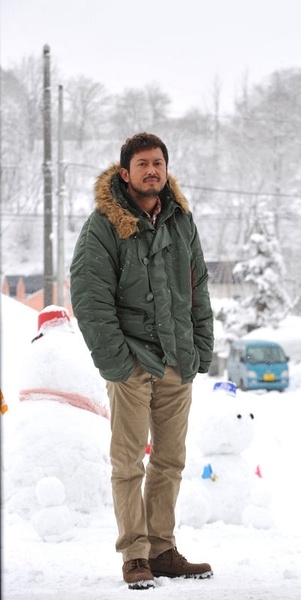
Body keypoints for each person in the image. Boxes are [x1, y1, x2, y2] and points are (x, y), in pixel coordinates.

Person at [70, 133, 214, 589]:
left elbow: (198, 286)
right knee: (129, 463)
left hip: (176, 359)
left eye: (158, 163)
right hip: (131, 362)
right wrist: (118, 362)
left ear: (166, 170)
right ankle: (135, 555)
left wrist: (200, 346)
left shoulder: (181, 222)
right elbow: (90, 298)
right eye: (142, 164)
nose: (152, 170)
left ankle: (162, 550)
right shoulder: (103, 225)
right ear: (125, 172)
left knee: (170, 461)